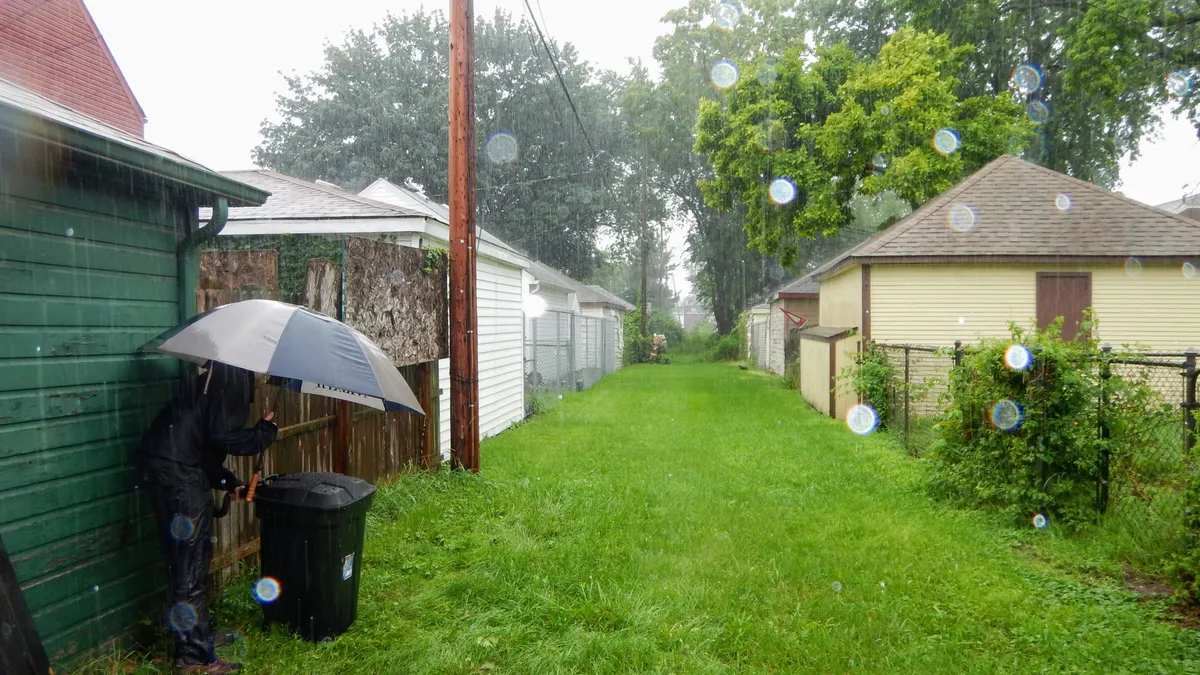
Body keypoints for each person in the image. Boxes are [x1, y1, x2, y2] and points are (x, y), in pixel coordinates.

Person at [139, 362, 278, 675]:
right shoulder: (235, 375)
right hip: (177, 475)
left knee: (191, 559)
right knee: (190, 565)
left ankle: (195, 634)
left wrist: (231, 483)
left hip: (170, 468)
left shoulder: (217, 375)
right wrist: (262, 435)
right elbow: (224, 435)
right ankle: (192, 657)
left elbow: (203, 446)